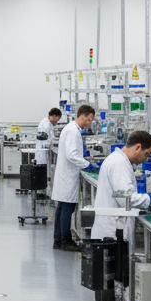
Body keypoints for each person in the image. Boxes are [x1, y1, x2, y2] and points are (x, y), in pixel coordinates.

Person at [90, 130, 151, 301]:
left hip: (109, 227)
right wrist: (150, 198)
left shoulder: (118, 160)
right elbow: (125, 198)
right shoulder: (119, 164)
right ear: (137, 147)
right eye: (146, 154)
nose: (145, 159)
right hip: (111, 229)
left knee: (106, 278)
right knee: (109, 278)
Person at [51, 104, 96, 250]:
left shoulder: (71, 129)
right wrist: (86, 164)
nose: (89, 123)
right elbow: (72, 155)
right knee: (67, 208)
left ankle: (58, 240)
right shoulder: (73, 131)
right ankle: (65, 241)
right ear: (82, 116)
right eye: (89, 120)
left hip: (65, 175)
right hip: (68, 176)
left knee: (62, 208)